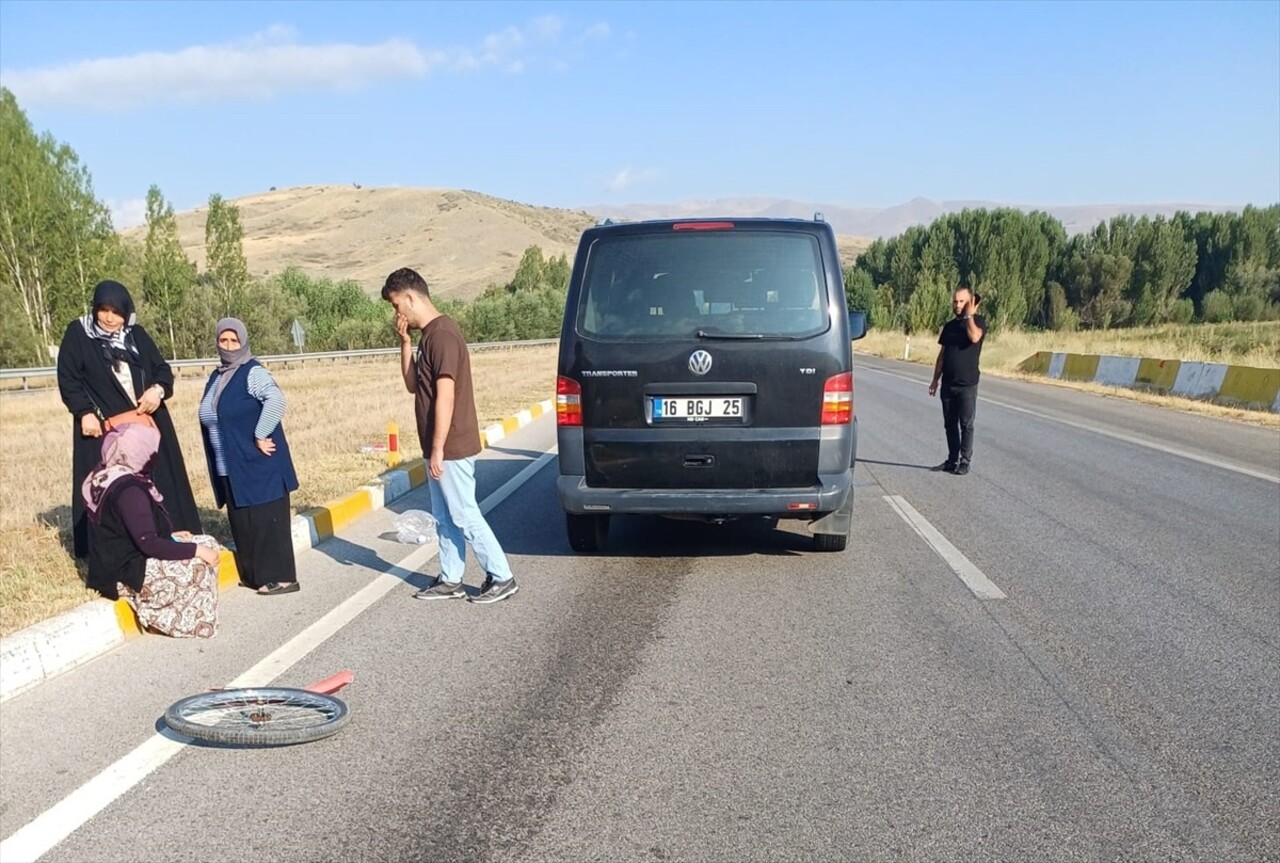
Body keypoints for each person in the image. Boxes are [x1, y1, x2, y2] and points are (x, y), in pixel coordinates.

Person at [382, 267, 518, 604]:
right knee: (444, 517)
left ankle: (501, 576)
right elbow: (414, 385)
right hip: (438, 445)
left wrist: (439, 448)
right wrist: (404, 344)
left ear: (411, 297)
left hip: (451, 444)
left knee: (463, 514)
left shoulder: (443, 335)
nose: (397, 314)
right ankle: (451, 578)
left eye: (397, 306)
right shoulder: (428, 336)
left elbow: (446, 394)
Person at [57, 279, 202, 559]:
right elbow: (68, 378)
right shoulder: (79, 333)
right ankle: (117, 550)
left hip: (147, 424)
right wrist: (83, 412)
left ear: (127, 312)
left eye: (116, 312)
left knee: (160, 481)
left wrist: (157, 391)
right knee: (112, 486)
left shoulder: (137, 335)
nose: (110, 318)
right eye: (103, 310)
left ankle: (169, 537)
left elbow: (162, 370)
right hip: (106, 429)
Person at [83, 423, 221, 638]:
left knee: (207, 542)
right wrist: (197, 551)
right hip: (127, 572)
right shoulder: (129, 490)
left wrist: (172, 536)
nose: (153, 457)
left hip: (115, 562)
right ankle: (165, 617)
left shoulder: (106, 475)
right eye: (149, 451)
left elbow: (124, 529)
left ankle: (174, 609)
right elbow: (148, 543)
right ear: (138, 452)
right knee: (200, 557)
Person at [197, 318, 301, 596]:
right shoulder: (217, 376)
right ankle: (255, 576)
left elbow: (276, 400)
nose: (229, 346)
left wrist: (260, 433)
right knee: (244, 522)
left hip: (258, 462)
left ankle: (282, 578)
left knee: (267, 520)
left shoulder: (252, 372)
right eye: (223, 340)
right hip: (230, 465)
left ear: (243, 342)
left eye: (234, 341)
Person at [928, 286, 988, 476]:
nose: (957, 304)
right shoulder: (949, 326)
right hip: (948, 384)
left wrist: (969, 316)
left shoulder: (978, 322)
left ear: (970, 302)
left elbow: (974, 337)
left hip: (967, 385)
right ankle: (952, 459)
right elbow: (942, 355)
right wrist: (935, 380)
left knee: (966, 424)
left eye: (962, 301)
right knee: (949, 424)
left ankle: (964, 461)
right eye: (955, 301)